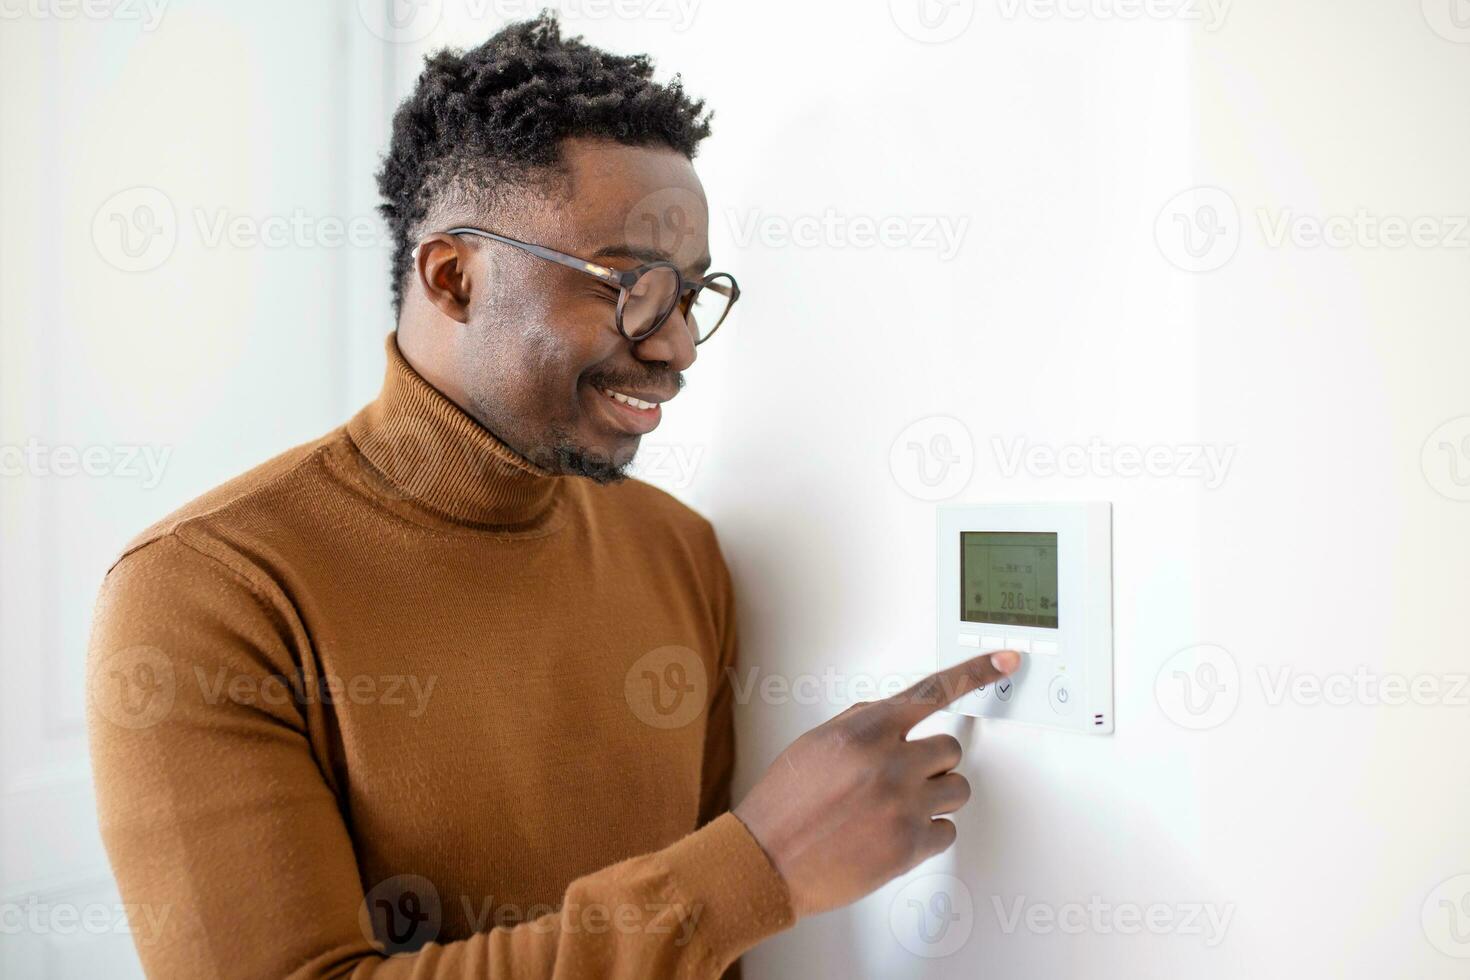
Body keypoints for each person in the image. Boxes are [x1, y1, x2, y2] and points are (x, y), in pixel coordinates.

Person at [86, 14, 1021, 978]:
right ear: (454, 278)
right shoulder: (204, 591)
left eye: (693, 295)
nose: (678, 347)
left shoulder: (679, 552)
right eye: (629, 286)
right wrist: (760, 867)